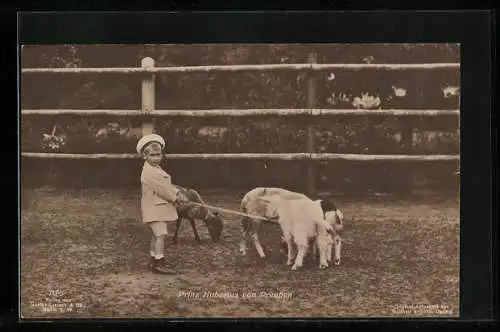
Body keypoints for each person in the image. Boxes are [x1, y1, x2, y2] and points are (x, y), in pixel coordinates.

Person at [136, 133, 191, 275]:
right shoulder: (150, 172)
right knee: (160, 234)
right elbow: (164, 189)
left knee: (156, 234)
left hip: (156, 207)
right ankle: (159, 262)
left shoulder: (154, 169)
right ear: (144, 156)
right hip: (155, 208)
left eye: (158, 154)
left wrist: (177, 193)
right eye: (152, 155)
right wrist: (178, 196)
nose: (156, 158)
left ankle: (153, 258)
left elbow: (166, 186)